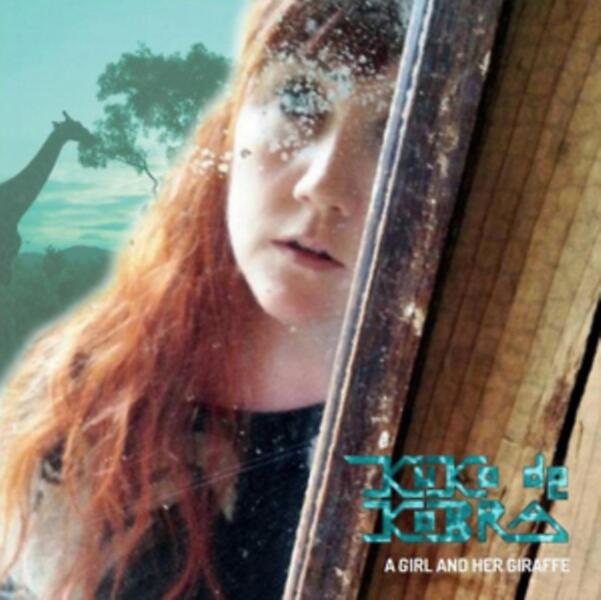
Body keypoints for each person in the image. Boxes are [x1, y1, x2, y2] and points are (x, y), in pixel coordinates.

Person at [0, 0, 408, 598]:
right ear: (234, 120)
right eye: (298, 99)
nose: (322, 184)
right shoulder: (87, 383)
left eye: (397, 132)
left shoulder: (472, 429)